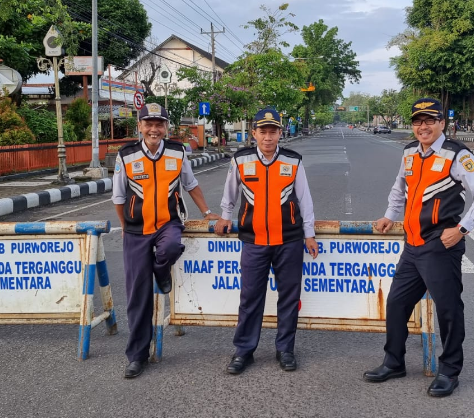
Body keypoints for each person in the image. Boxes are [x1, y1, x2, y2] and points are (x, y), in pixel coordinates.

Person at [365, 98, 474, 398]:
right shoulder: (409, 151)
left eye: (429, 120)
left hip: (440, 245)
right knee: (397, 304)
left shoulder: (456, 154)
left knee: (449, 310)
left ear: (442, 123)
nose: (422, 126)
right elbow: (400, 188)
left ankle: (449, 371)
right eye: (417, 121)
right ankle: (394, 361)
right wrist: (389, 215)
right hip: (412, 245)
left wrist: (462, 229)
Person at [112, 102, 220, 379]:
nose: (154, 129)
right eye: (148, 123)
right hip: (136, 230)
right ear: (140, 126)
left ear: (166, 127)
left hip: (168, 224)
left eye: (159, 124)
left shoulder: (177, 152)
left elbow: (191, 184)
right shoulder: (126, 156)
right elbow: (119, 198)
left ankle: (161, 271)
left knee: (172, 247)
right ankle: (137, 356)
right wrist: (125, 227)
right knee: (138, 297)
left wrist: (207, 212)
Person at [215, 108, 319, 375]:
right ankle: (244, 351)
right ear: (254, 133)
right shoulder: (241, 160)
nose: (268, 137)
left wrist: (309, 233)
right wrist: (225, 217)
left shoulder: (293, 161)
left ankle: (285, 349)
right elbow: (230, 194)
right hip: (254, 240)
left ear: (280, 133)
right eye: (263, 131)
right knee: (250, 298)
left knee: (289, 296)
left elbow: (304, 199)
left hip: (289, 240)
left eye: (273, 131)